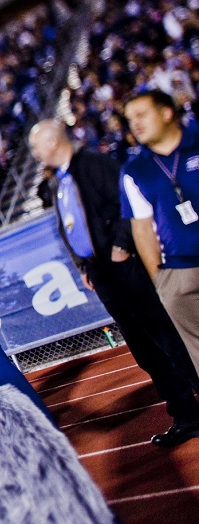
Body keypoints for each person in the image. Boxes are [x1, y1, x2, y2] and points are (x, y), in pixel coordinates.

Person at [29, 119, 199, 446]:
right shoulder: (59, 182)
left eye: (37, 146)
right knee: (145, 349)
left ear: (52, 142)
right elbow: (71, 226)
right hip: (103, 274)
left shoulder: (93, 164)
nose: (34, 153)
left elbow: (129, 207)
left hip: (124, 267)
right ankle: (186, 414)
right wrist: (83, 265)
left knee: (167, 337)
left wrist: (121, 246)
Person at [122, 89, 199, 397]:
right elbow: (142, 229)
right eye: (129, 120)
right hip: (178, 273)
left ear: (167, 112)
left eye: (141, 115)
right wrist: (162, 279)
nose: (135, 125)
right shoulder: (134, 170)